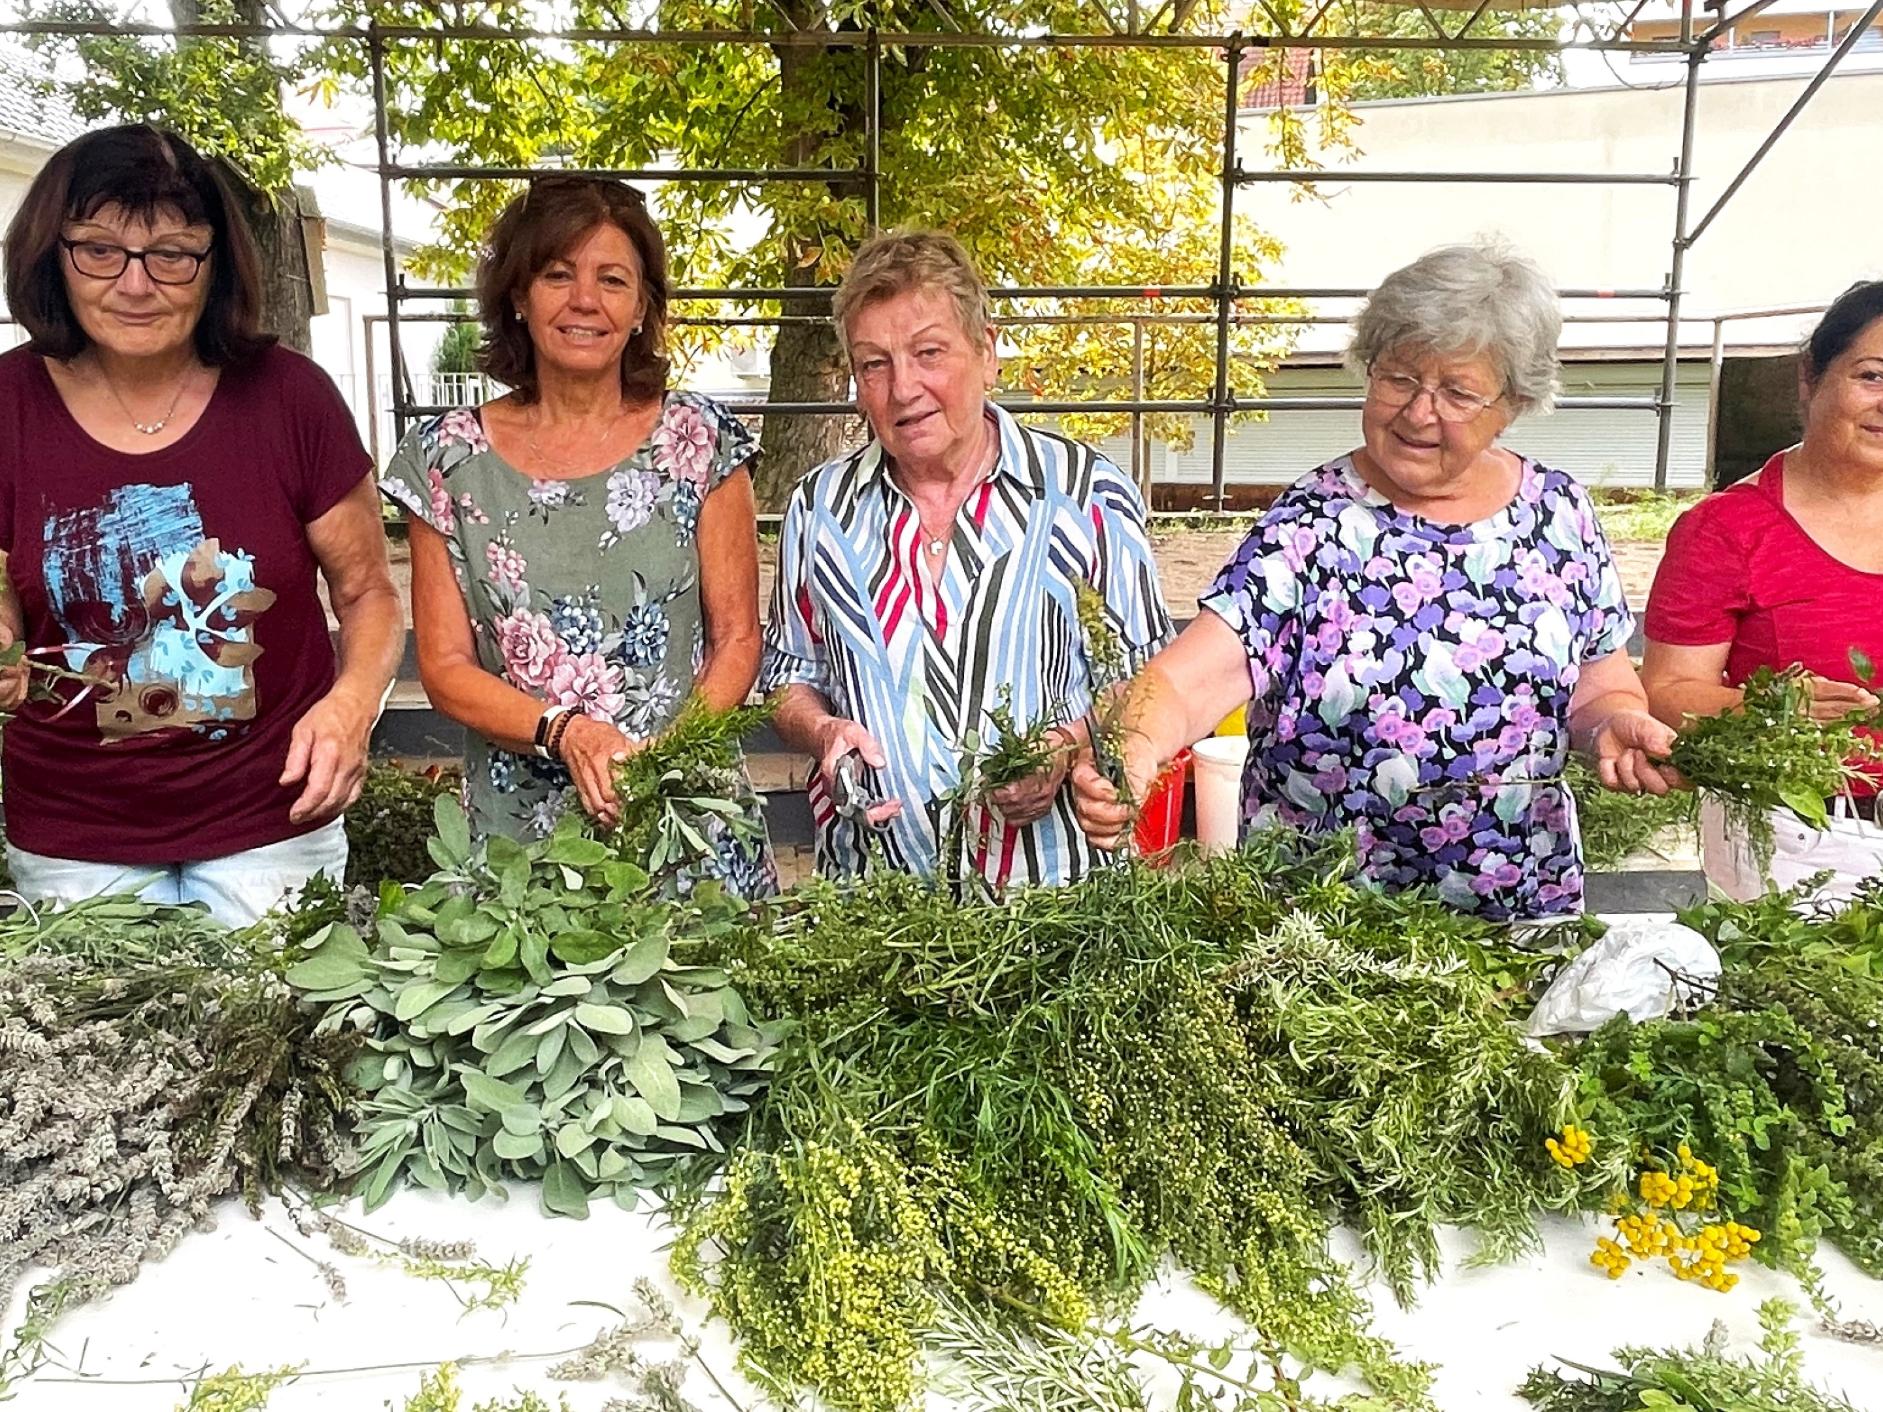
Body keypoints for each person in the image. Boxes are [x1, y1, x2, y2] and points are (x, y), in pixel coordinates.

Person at [1072, 242, 1676, 921]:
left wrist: (1613, 723)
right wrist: (1133, 746)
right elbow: (1195, 676)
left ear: (1511, 404)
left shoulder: (1559, 514)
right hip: (1324, 935)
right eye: (1398, 379)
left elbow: (1597, 678)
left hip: (1516, 914)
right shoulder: (1312, 524)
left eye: (1456, 392)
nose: (1419, 413)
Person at [0, 124, 401, 925]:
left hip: (275, 819)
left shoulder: (292, 398)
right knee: (106, 1047)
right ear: (54, 253)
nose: (136, 283)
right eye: (100, 250)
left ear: (216, 264)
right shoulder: (6, 402)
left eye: (173, 253)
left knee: (281, 1040)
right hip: (77, 836)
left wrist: (351, 707)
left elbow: (369, 595)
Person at [381, 176, 774, 895]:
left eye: (612, 279)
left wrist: (663, 761)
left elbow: (738, 640)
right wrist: (567, 732)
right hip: (520, 840)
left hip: (683, 818)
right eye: (557, 274)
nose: (584, 300)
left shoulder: (699, 440)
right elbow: (443, 667)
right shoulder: (444, 456)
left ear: (641, 307)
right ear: (518, 296)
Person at [759, 229, 1172, 888]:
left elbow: (1151, 678)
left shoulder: (1084, 493)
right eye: (873, 364)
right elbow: (786, 673)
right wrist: (821, 731)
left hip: (1054, 902)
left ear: (986, 352)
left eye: (929, 353)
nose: (902, 388)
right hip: (873, 902)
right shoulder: (819, 507)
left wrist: (1066, 750)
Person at [1642, 281, 1883, 900]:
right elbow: (1666, 692)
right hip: (1798, 839)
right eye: (1872, 376)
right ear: (1810, 376)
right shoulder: (1727, 529)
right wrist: (1768, 710)